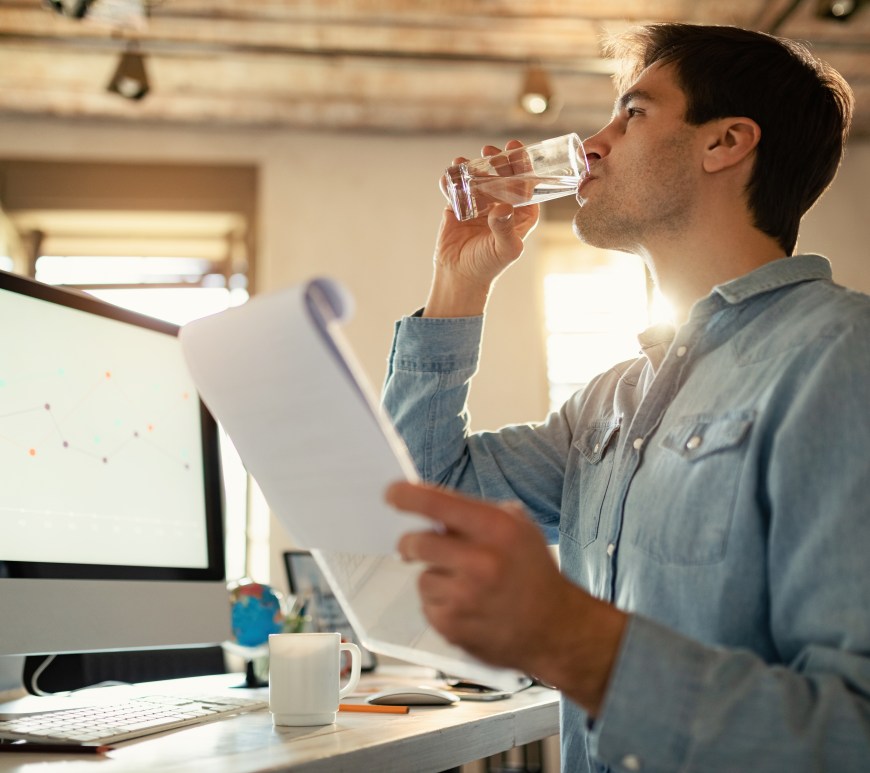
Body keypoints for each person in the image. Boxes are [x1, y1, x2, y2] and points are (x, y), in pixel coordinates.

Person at [381, 23, 869, 773]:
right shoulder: (609, 403)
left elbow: (851, 732)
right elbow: (422, 495)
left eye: (632, 113)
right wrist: (460, 282)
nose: (592, 145)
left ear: (726, 142)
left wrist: (568, 633)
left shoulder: (842, 356)